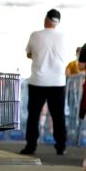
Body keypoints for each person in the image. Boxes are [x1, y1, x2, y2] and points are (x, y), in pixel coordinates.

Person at [20, 9, 68, 156]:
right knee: (58, 116)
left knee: (34, 115)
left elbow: (29, 54)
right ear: (58, 22)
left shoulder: (35, 35)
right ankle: (61, 146)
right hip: (58, 82)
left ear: (46, 19)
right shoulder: (64, 37)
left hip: (38, 81)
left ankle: (31, 146)